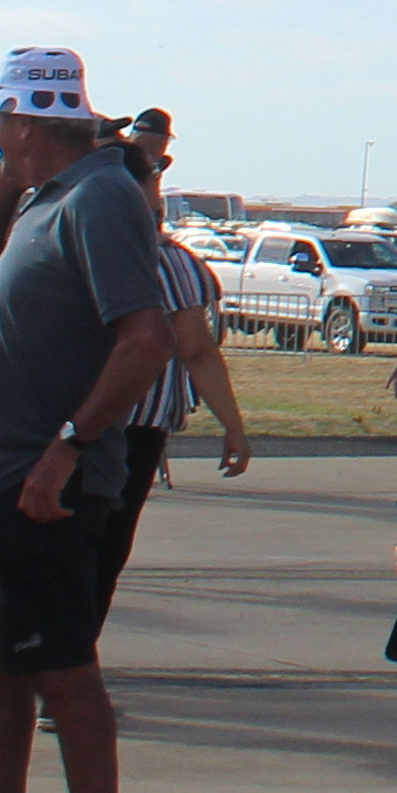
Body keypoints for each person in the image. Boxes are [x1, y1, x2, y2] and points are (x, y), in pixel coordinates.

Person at [0, 47, 177, 793]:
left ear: (26, 120)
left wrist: (70, 443)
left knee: (61, 668)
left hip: (46, 481)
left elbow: (147, 338)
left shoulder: (101, 197)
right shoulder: (40, 196)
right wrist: (2, 190)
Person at [107, 110, 253, 599]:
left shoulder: (54, 243)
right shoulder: (167, 261)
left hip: (64, 420)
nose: (160, 178)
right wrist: (233, 425)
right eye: (154, 172)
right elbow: (197, 349)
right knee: (103, 550)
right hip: (131, 424)